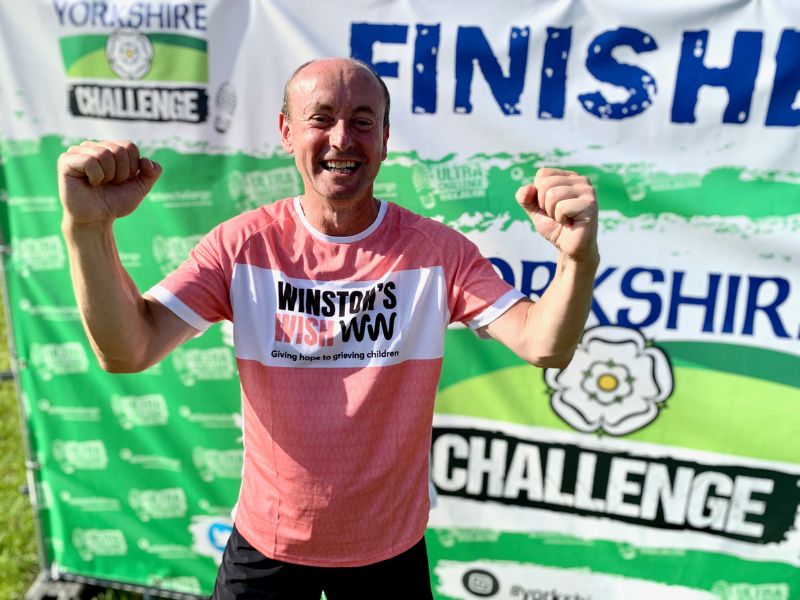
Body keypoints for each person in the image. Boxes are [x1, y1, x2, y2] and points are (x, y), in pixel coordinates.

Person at [57, 57, 599, 599]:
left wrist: (577, 260)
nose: (342, 138)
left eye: (363, 121)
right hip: (266, 547)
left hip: (389, 552)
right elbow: (129, 348)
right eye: (321, 118)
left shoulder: (438, 252)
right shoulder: (242, 245)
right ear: (287, 133)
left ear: (385, 139)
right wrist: (87, 227)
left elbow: (542, 344)